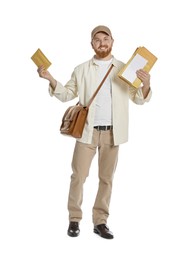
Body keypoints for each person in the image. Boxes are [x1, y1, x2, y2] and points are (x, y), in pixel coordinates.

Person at [37, 25, 152, 239]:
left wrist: (146, 84)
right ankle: (74, 219)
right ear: (92, 44)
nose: (102, 43)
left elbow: (138, 98)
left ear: (112, 41)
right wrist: (50, 79)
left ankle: (100, 222)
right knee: (78, 176)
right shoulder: (81, 69)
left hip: (113, 133)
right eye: (97, 40)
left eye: (105, 38)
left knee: (106, 179)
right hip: (86, 132)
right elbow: (67, 94)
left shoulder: (124, 69)